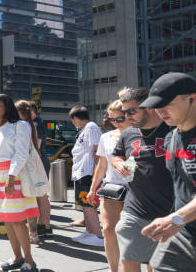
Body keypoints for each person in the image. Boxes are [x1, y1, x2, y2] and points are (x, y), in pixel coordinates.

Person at [138, 73, 196, 271]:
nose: (160, 111)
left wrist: (176, 218)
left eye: (166, 104)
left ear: (192, 98)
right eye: (156, 105)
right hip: (184, 232)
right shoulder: (170, 138)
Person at [111, 87, 173, 272]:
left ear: (150, 107)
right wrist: (118, 164)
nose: (127, 116)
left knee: (161, 265)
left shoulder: (173, 129)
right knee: (129, 259)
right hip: (135, 210)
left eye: (131, 111)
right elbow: (116, 155)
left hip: (171, 212)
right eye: (124, 112)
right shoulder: (128, 134)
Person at [0, 94, 39, 272]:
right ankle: (17, 257)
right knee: (6, 220)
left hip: (14, 176)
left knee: (17, 220)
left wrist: (11, 177)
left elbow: (21, 153)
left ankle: (30, 261)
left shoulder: (20, 125)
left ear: (7, 107)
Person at [86, 99, 131, 272]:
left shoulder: (140, 135)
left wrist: (129, 167)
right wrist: (92, 189)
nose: (115, 123)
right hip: (112, 188)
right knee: (108, 230)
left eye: (119, 119)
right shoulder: (106, 137)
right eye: (111, 119)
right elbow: (101, 165)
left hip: (137, 190)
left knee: (139, 234)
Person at [69, 105, 104, 246]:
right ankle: (90, 232)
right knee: (84, 203)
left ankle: (98, 235)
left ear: (75, 118)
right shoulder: (85, 129)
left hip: (88, 171)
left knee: (89, 204)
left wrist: (96, 173)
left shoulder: (91, 127)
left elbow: (97, 151)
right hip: (81, 172)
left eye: (73, 120)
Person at [15, 100, 45, 244]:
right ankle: (33, 233)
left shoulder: (22, 125)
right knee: (31, 200)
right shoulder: (31, 125)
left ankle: (29, 233)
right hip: (32, 165)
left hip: (23, 167)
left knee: (23, 200)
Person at [29, 101, 52, 239]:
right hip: (40, 162)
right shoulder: (37, 123)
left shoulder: (36, 124)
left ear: (33, 111)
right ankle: (44, 226)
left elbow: (35, 147)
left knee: (40, 196)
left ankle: (44, 226)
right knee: (41, 195)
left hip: (38, 163)